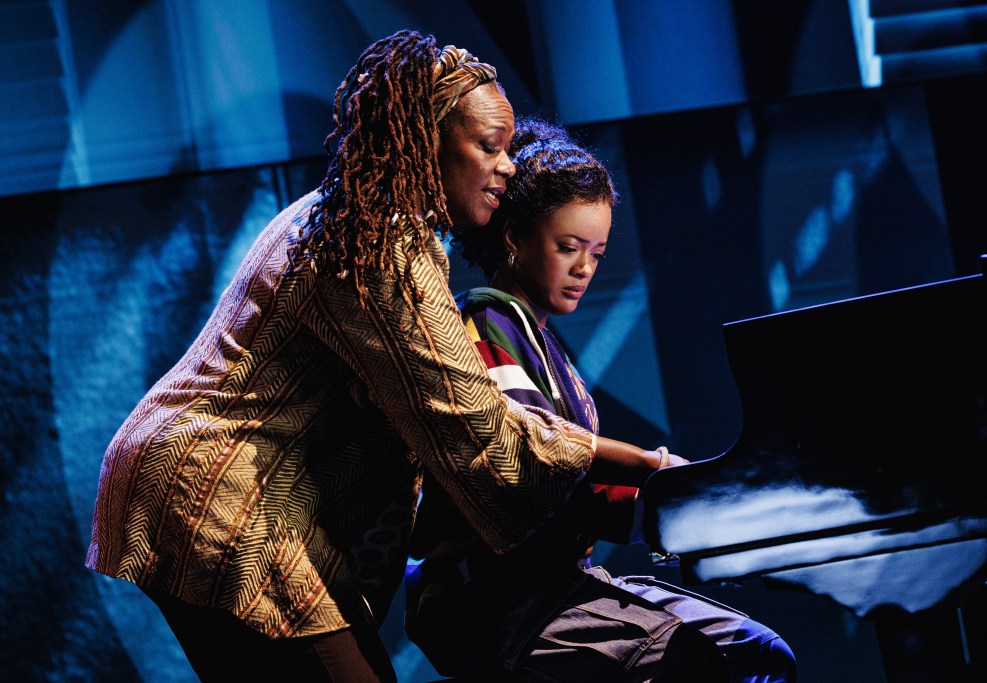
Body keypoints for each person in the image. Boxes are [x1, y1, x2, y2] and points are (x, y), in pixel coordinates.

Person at [85, 31, 666, 682]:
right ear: (425, 139)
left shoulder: (348, 218)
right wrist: (645, 463)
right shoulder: (379, 244)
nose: (507, 166)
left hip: (192, 485)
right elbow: (475, 423)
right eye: (490, 147)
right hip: (222, 494)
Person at [406, 117, 798, 682]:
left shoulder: (537, 341)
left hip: (553, 586)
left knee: (760, 654)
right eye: (568, 247)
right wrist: (661, 477)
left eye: (597, 253)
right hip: (496, 599)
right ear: (514, 237)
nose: (584, 268)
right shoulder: (484, 322)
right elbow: (532, 465)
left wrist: (688, 513)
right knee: (712, 661)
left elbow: (576, 495)